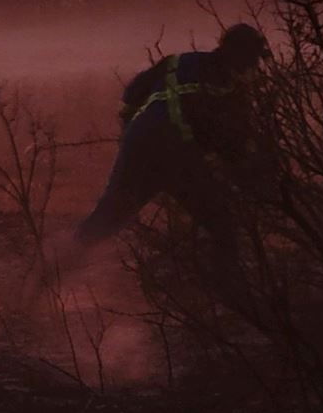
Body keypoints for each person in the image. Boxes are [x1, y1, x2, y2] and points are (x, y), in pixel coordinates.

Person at [74, 23, 271, 251]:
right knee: (222, 225)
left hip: (138, 143)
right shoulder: (232, 94)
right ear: (244, 60)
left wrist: (130, 130)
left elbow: (131, 95)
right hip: (178, 153)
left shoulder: (177, 61)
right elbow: (234, 152)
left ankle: (51, 264)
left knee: (107, 218)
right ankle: (220, 283)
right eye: (254, 62)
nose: (256, 69)